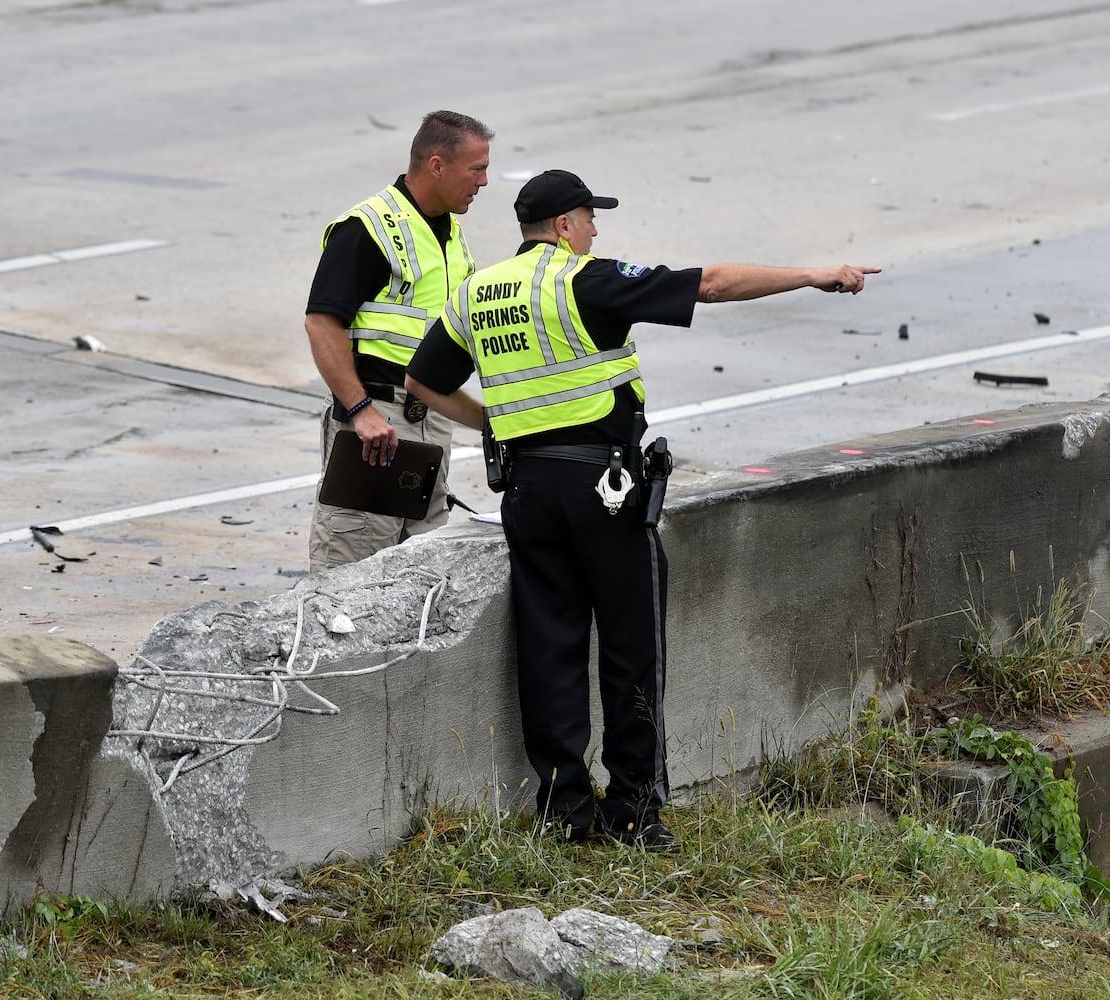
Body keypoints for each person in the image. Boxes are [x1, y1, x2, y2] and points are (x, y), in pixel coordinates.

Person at [403, 169, 878, 846]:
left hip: (528, 494)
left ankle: (563, 813)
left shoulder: (474, 294)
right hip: (604, 492)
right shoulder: (582, 279)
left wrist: (496, 424)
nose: (596, 230)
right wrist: (810, 275)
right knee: (631, 649)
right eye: (590, 219)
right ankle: (632, 812)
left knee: (549, 651)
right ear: (565, 225)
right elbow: (709, 284)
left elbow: (421, 382)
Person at [304, 110, 494, 573]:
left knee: (416, 581)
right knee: (349, 581)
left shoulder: (451, 235)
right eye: (477, 169)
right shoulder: (367, 228)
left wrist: (491, 421)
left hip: (428, 429)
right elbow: (321, 324)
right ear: (436, 165)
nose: (484, 182)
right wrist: (359, 410)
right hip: (377, 431)